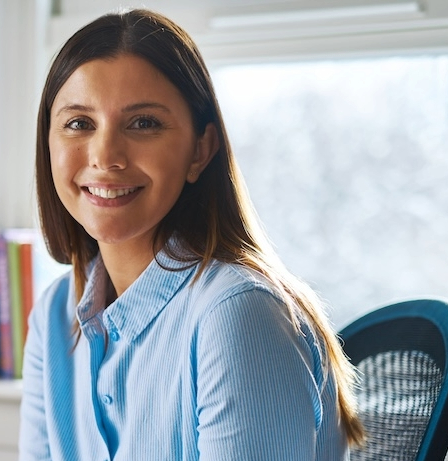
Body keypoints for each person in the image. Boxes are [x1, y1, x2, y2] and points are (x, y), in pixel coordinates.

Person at [19, 9, 365, 461]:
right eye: (79, 123)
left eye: (143, 123)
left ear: (200, 150)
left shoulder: (238, 315)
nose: (105, 155)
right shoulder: (54, 317)